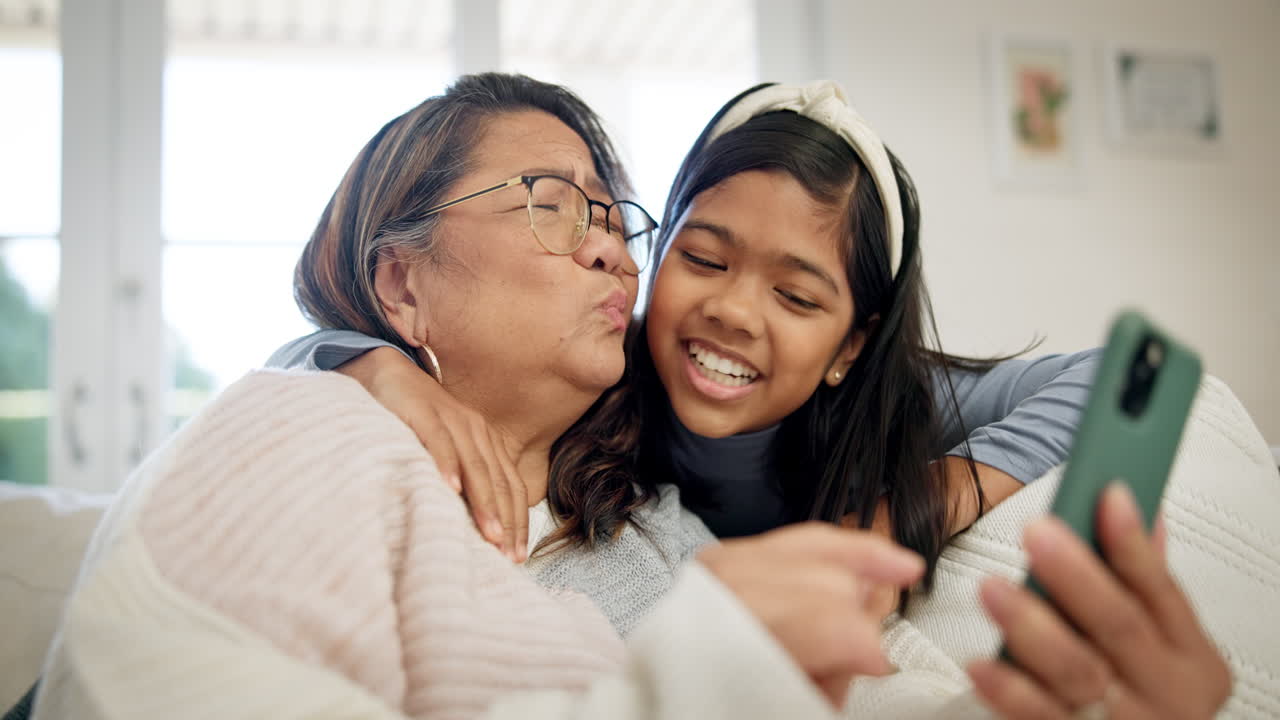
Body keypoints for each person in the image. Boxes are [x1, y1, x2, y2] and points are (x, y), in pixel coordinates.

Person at [29, 73, 927, 720]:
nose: (612, 252)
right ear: (402, 285)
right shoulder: (310, 417)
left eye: (613, 219)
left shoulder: (668, 542)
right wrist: (365, 364)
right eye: (554, 204)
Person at [275, 80, 1100, 607]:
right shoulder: (604, 362)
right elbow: (287, 375)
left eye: (795, 296)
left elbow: (1114, 380)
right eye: (701, 259)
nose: (734, 312)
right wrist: (372, 365)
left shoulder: (885, 408)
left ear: (852, 345)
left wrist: (908, 512)